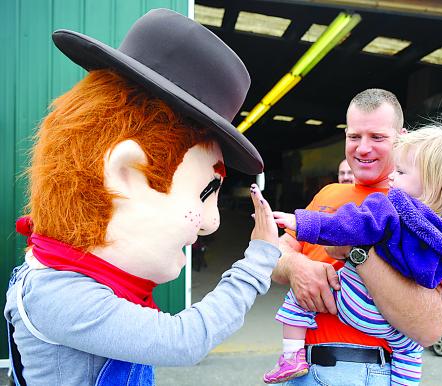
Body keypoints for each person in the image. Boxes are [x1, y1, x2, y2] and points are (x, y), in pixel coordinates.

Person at [4, 9, 281, 386]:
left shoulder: (71, 273)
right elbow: (184, 341)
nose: (211, 220)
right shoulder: (59, 295)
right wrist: (258, 261)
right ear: (127, 173)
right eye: (204, 193)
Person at [264, 124, 442, 384]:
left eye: (400, 171)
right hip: (392, 329)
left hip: (352, 303)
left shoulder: (388, 206)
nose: (391, 178)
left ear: (430, 182)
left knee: (296, 301)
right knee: (410, 351)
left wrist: (301, 222)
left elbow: (345, 225)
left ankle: (291, 356)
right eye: (353, 136)